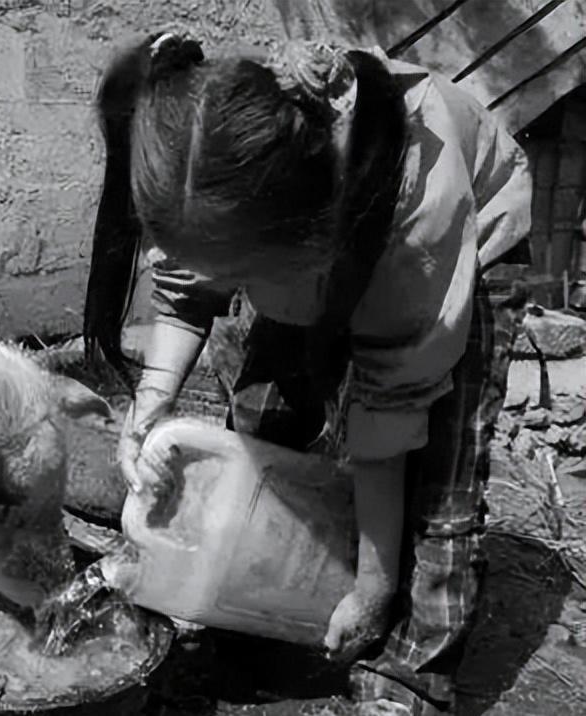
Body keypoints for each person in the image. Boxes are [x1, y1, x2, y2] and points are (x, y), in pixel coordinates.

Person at [81, 31, 533, 716]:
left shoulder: (410, 231)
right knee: (265, 420)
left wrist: (377, 589)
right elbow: (183, 290)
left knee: (439, 477)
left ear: (308, 240)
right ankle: (267, 609)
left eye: (236, 279)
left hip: (468, 245)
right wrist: (151, 406)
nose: (221, 288)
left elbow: (390, 408)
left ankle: (408, 673)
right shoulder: (213, 175)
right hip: (318, 246)